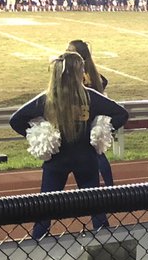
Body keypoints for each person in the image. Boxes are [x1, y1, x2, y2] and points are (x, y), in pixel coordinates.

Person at [10, 52, 129, 240]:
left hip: (57, 160)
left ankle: (35, 246)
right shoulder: (90, 97)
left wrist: (38, 134)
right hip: (86, 159)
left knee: (45, 207)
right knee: (96, 207)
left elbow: (16, 120)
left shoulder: (47, 99)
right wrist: (102, 129)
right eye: (82, 68)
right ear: (78, 72)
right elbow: (121, 114)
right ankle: (106, 245)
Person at [68, 39, 115, 187]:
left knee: (94, 154)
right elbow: (103, 82)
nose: (66, 51)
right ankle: (109, 186)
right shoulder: (93, 73)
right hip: (92, 117)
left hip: (81, 118)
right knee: (98, 154)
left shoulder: (79, 75)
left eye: (70, 50)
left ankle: (102, 188)